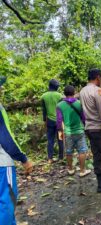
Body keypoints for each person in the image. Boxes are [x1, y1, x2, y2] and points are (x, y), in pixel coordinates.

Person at [0, 76, 33, 225]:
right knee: (8, 200)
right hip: (2, 163)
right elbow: (5, 137)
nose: (2, 89)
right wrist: (23, 159)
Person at [56, 85, 91, 177]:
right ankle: (82, 170)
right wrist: (86, 127)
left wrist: (60, 131)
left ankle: (70, 169)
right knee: (82, 151)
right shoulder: (79, 103)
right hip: (79, 131)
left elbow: (59, 120)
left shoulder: (59, 105)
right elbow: (83, 118)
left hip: (68, 132)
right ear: (74, 93)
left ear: (64, 94)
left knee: (68, 151)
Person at [41, 79, 64, 163]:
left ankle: (50, 158)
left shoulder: (43, 96)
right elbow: (62, 109)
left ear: (49, 86)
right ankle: (61, 157)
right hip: (59, 122)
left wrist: (44, 121)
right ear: (57, 87)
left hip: (49, 122)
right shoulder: (60, 96)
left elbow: (44, 111)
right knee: (60, 139)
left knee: (50, 140)